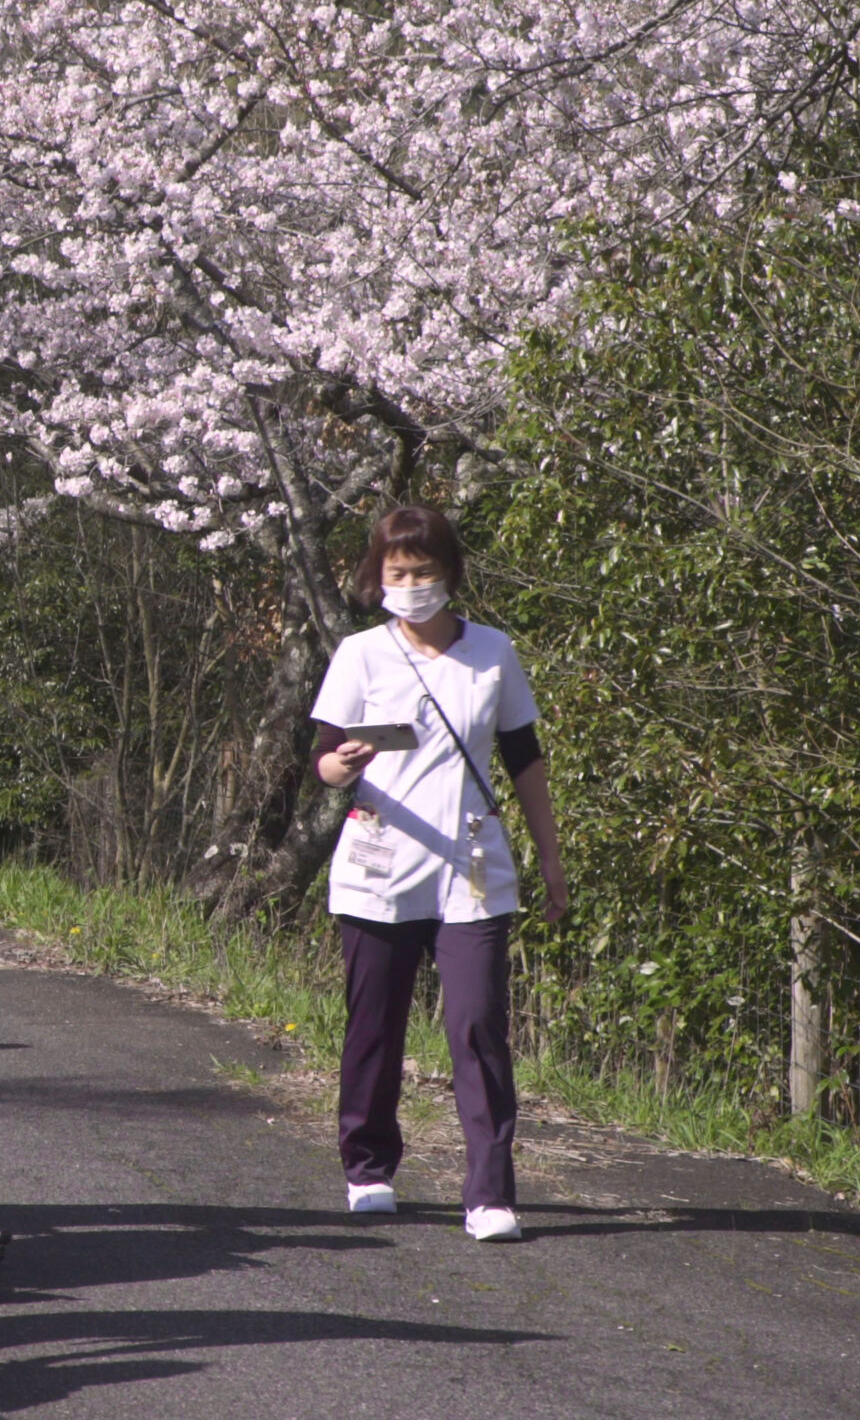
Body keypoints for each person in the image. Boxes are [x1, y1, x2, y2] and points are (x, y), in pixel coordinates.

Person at [309, 505, 570, 1243]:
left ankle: (489, 1192)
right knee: (374, 1025)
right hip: (381, 865)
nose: (411, 586)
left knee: (479, 1024)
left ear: (450, 573)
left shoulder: (492, 652)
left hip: (473, 867)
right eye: (397, 574)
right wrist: (343, 765)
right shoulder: (362, 654)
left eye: (423, 572)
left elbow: (524, 758)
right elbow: (324, 758)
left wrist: (550, 858)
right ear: (378, 577)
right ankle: (368, 1168)